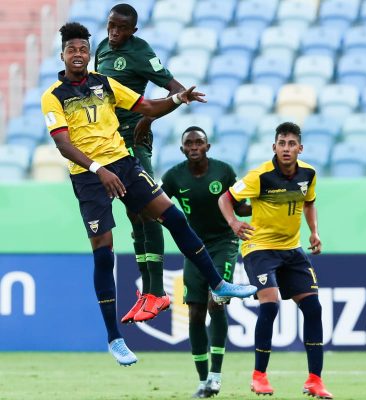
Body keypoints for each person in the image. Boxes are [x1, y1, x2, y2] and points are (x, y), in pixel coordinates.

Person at [41, 22, 257, 366]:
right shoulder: (53, 96)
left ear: (87, 52)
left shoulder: (105, 83)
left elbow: (147, 107)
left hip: (123, 163)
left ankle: (218, 283)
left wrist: (177, 98)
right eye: (72, 50)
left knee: (172, 216)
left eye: (83, 49)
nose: (79, 54)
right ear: (63, 54)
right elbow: (63, 144)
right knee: (103, 253)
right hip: (88, 176)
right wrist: (99, 170)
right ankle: (114, 339)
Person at [218, 122, 333, 399]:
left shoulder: (309, 173)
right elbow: (225, 198)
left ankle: (315, 381)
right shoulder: (260, 176)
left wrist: (314, 232)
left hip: (292, 250)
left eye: (291, 144)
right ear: (274, 147)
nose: (286, 148)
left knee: (314, 308)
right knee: (270, 307)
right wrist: (234, 222)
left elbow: (308, 202)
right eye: (282, 143)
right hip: (259, 249)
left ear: (300, 148)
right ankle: (259, 376)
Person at [95, 3, 186, 323]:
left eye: (121, 28)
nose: (114, 33)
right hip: (109, 147)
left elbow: (175, 90)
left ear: (133, 30)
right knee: (135, 216)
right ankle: (148, 292)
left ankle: (157, 291)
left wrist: (147, 122)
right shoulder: (102, 48)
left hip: (133, 144)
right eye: (111, 26)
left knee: (150, 212)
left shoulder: (141, 52)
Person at [161, 127, 252, 398]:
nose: (193, 146)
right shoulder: (174, 176)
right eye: (188, 143)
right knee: (196, 312)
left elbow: (240, 206)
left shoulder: (223, 172)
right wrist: (141, 225)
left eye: (198, 142)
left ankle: (216, 376)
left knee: (217, 302)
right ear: (182, 149)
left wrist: (265, 202)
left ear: (207, 146)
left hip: (224, 242)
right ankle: (202, 381)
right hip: (194, 247)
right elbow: (157, 206)